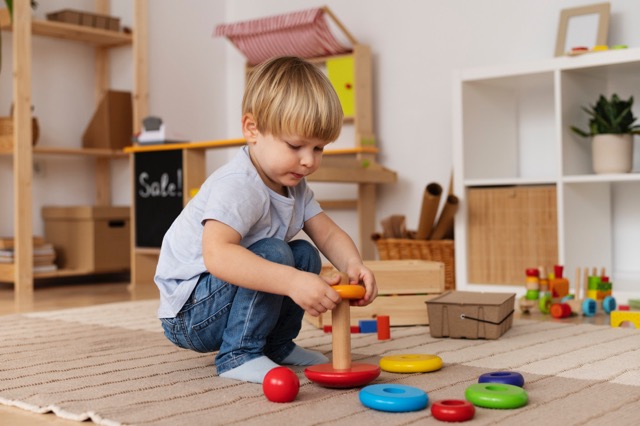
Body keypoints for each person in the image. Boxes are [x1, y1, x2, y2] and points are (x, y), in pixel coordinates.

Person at [154, 56, 378, 384]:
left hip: (221, 298)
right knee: (275, 252)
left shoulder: (294, 185)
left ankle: (276, 345)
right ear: (252, 129)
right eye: (296, 145)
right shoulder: (239, 185)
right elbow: (218, 255)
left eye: (319, 148)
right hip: (190, 313)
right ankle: (238, 355)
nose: (308, 161)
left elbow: (327, 233)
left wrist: (355, 265)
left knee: (304, 254)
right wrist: (291, 282)